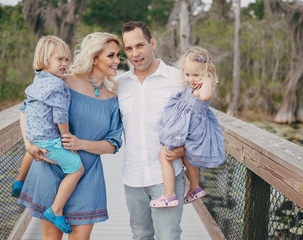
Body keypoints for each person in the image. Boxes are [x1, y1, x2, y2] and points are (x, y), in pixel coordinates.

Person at [18, 32, 123, 240]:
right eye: (111, 55)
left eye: (118, 55)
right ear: (95, 58)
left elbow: (113, 144)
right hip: (51, 169)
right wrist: (29, 145)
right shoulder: (62, 83)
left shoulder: (112, 99)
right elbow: (25, 110)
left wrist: (81, 143)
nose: (117, 61)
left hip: (89, 175)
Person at [117, 21, 186, 239]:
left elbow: (199, 123)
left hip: (166, 176)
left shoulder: (178, 79)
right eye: (128, 48)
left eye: (140, 45)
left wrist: (185, 148)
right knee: (141, 236)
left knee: (168, 236)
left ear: (152, 43)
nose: (135, 53)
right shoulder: (119, 85)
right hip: (133, 177)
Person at [21, 35, 85, 234]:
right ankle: (55, 209)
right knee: (76, 169)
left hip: (36, 139)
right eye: (60, 59)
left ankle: (19, 182)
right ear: (45, 59)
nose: (65, 63)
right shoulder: (57, 85)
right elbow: (60, 116)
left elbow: (26, 108)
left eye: (67, 59)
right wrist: (66, 139)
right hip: (50, 141)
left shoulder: (38, 80)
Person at [150, 46, 225, 208]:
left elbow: (205, 97)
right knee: (187, 157)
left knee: (164, 155)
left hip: (191, 130)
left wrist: (207, 78)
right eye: (187, 74)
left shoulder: (205, 86)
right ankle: (195, 187)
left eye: (196, 75)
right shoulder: (192, 87)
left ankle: (169, 195)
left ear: (206, 72)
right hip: (187, 130)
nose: (191, 79)